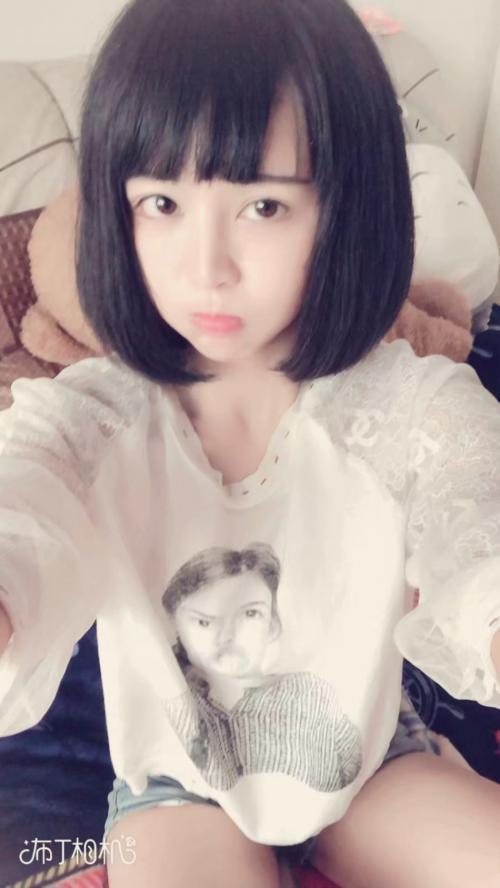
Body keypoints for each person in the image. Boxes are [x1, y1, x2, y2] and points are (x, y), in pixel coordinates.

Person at [0, 0, 499, 885]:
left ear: (346, 205)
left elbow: (480, 515)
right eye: (161, 202)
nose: (206, 268)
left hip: (371, 760)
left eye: (263, 205)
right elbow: (20, 500)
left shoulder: (410, 404)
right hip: (177, 782)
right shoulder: (87, 419)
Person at [162, 544, 362, 791]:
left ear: (273, 623)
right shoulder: (176, 703)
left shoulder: (310, 694)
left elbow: (356, 763)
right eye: (204, 622)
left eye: (250, 614)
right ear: (176, 628)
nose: (227, 636)